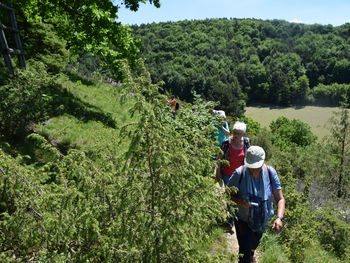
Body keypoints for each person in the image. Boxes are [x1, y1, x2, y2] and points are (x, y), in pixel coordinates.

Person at [227, 146, 285, 263]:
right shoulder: (240, 173)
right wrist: (241, 202)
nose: (253, 170)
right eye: (251, 167)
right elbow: (227, 195)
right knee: (244, 254)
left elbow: (280, 199)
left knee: (252, 247)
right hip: (243, 221)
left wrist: (279, 218)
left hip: (262, 221)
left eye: (256, 167)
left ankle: (251, 254)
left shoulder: (270, 173)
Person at [216, 121, 249, 185]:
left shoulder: (246, 142)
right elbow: (218, 159)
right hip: (227, 175)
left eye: (238, 133)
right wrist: (218, 173)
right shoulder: (226, 143)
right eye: (234, 132)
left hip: (241, 176)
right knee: (228, 194)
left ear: (243, 134)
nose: (236, 135)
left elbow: (249, 158)